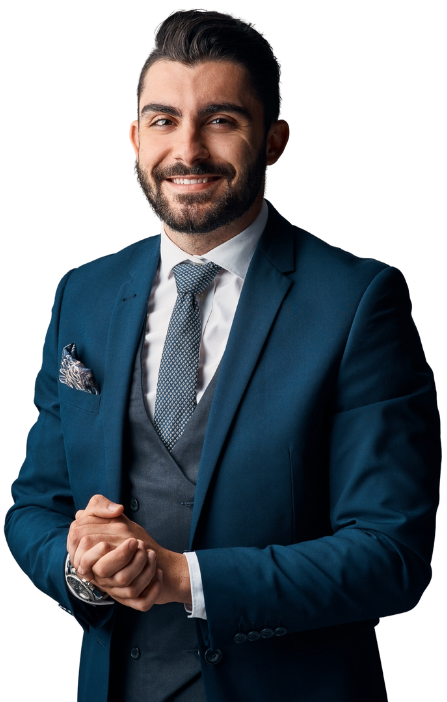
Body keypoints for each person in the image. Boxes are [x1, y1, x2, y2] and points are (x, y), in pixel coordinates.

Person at [4, 9, 441, 702]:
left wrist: (186, 578)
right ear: (133, 137)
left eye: (221, 120)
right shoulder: (82, 293)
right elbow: (34, 505)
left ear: (274, 141)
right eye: (163, 120)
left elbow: (391, 555)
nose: (188, 150)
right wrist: (81, 568)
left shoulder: (358, 300)